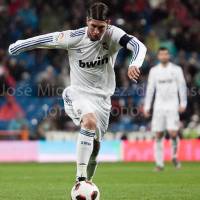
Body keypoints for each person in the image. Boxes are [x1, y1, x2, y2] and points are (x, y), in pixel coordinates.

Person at [8, 2, 147, 181]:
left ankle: (87, 183)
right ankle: (80, 179)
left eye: (101, 27)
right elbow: (46, 39)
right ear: (87, 21)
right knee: (89, 121)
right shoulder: (74, 37)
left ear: (108, 23)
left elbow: (138, 46)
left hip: (103, 99)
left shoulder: (113, 34)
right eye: (93, 26)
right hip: (78, 92)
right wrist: (18, 46)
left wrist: (135, 63)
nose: (96, 31)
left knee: (95, 148)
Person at [144, 47, 187, 171]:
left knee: (173, 133)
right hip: (159, 106)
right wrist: (147, 106)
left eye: (165, 54)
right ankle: (159, 164)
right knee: (158, 134)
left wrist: (183, 103)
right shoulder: (154, 71)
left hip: (173, 105)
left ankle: (175, 156)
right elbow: (150, 89)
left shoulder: (176, 70)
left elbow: (182, 87)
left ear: (169, 56)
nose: (163, 56)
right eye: (161, 54)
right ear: (158, 56)